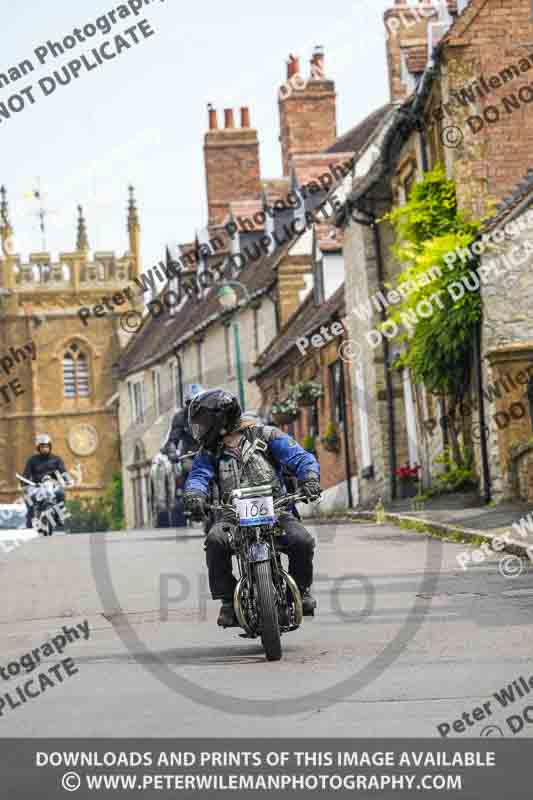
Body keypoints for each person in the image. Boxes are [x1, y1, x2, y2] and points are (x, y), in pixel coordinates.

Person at [183, 389, 321, 628]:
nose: (201, 429)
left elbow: (300, 457)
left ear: (221, 419)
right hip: (232, 515)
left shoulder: (266, 435)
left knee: (303, 541)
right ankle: (228, 601)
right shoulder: (210, 452)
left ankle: (301, 590)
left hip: (277, 510)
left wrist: (309, 477)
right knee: (215, 541)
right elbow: (198, 476)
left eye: (204, 423)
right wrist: (195, 495)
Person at [22, 434, 68, 528]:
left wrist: (67, 479)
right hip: (37, 486)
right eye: (42, 447)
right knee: (27, 498)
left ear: (50, 447)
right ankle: (30, 517)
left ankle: (60, 516)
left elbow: (63, 471)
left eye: (46, 446)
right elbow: (26, 474)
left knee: (61, 494)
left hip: (52, 486)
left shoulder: (56, 459)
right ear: (38, 448)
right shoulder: (32, 460)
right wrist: (24, 484)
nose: (45, 448)